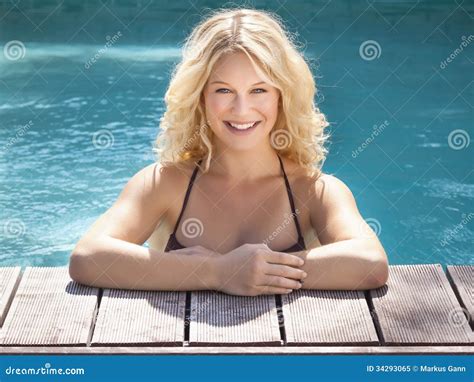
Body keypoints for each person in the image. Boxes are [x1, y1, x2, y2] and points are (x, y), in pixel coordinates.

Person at [69, 8, 389, 295]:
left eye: (258, 90)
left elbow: (370, 262)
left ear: (283, 96)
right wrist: (218, 272)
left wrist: (259, 271)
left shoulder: (314, 190)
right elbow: (87, 257)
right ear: (200, 97)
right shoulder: (166, 183)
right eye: (224, 90)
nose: (241, 109)